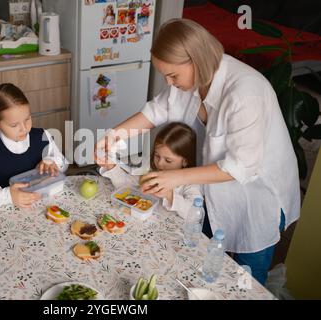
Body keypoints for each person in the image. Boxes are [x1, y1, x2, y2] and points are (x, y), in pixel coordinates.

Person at [95, 19, 300, 285]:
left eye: (173, 76)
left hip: (258, 195)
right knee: (210, 260)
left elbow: (241, 166)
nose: (169, 82)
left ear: (196, 60)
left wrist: (176, 178)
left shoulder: (245, 93)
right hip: (214, 187)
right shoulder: (192, 81)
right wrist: (114, 135)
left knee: (247, 274)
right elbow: (155, 111)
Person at [0, 83, 68, 208]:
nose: (24, 128)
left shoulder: (43, 135)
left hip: (39, 207)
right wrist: (8, 195)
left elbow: (63, 163)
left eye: (27, 119)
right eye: (14, 125)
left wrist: (51, 161)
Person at [100, 122, 201, 218]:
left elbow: (195, 214)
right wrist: (111, 167)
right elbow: (126, 185)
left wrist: (169, 194)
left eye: (168, 160)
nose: (160, 163)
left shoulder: (191, 183)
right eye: (157, 156)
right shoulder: (152, 170)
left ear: (185, 161)